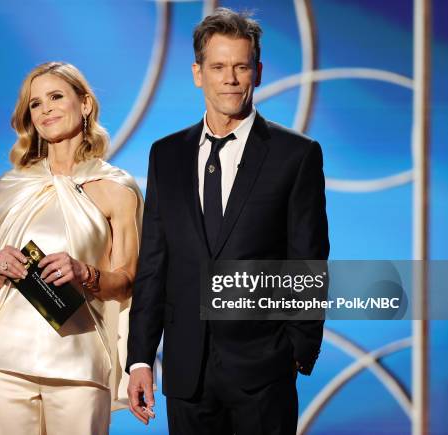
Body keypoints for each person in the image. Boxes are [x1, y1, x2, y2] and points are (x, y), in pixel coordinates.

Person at [126, 8, 329, 435]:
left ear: (257, 70)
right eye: (218, 67)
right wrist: (141, 357)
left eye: (240, 66)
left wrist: (297, 350)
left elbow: (308, 261)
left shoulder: (296, 155)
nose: (230, 79)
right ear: (199, 73)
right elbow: (153, 262)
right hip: (186, 372)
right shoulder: (166, 155)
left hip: (265, 372)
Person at [0, 61, 143, 435]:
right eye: (35, 104)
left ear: (84, 104)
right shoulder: (12, 186)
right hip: (9, 365)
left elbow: (129, 283)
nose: (45, 109)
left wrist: (85, 273)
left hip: (78, 366)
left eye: (55, 97)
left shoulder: (116, 188)